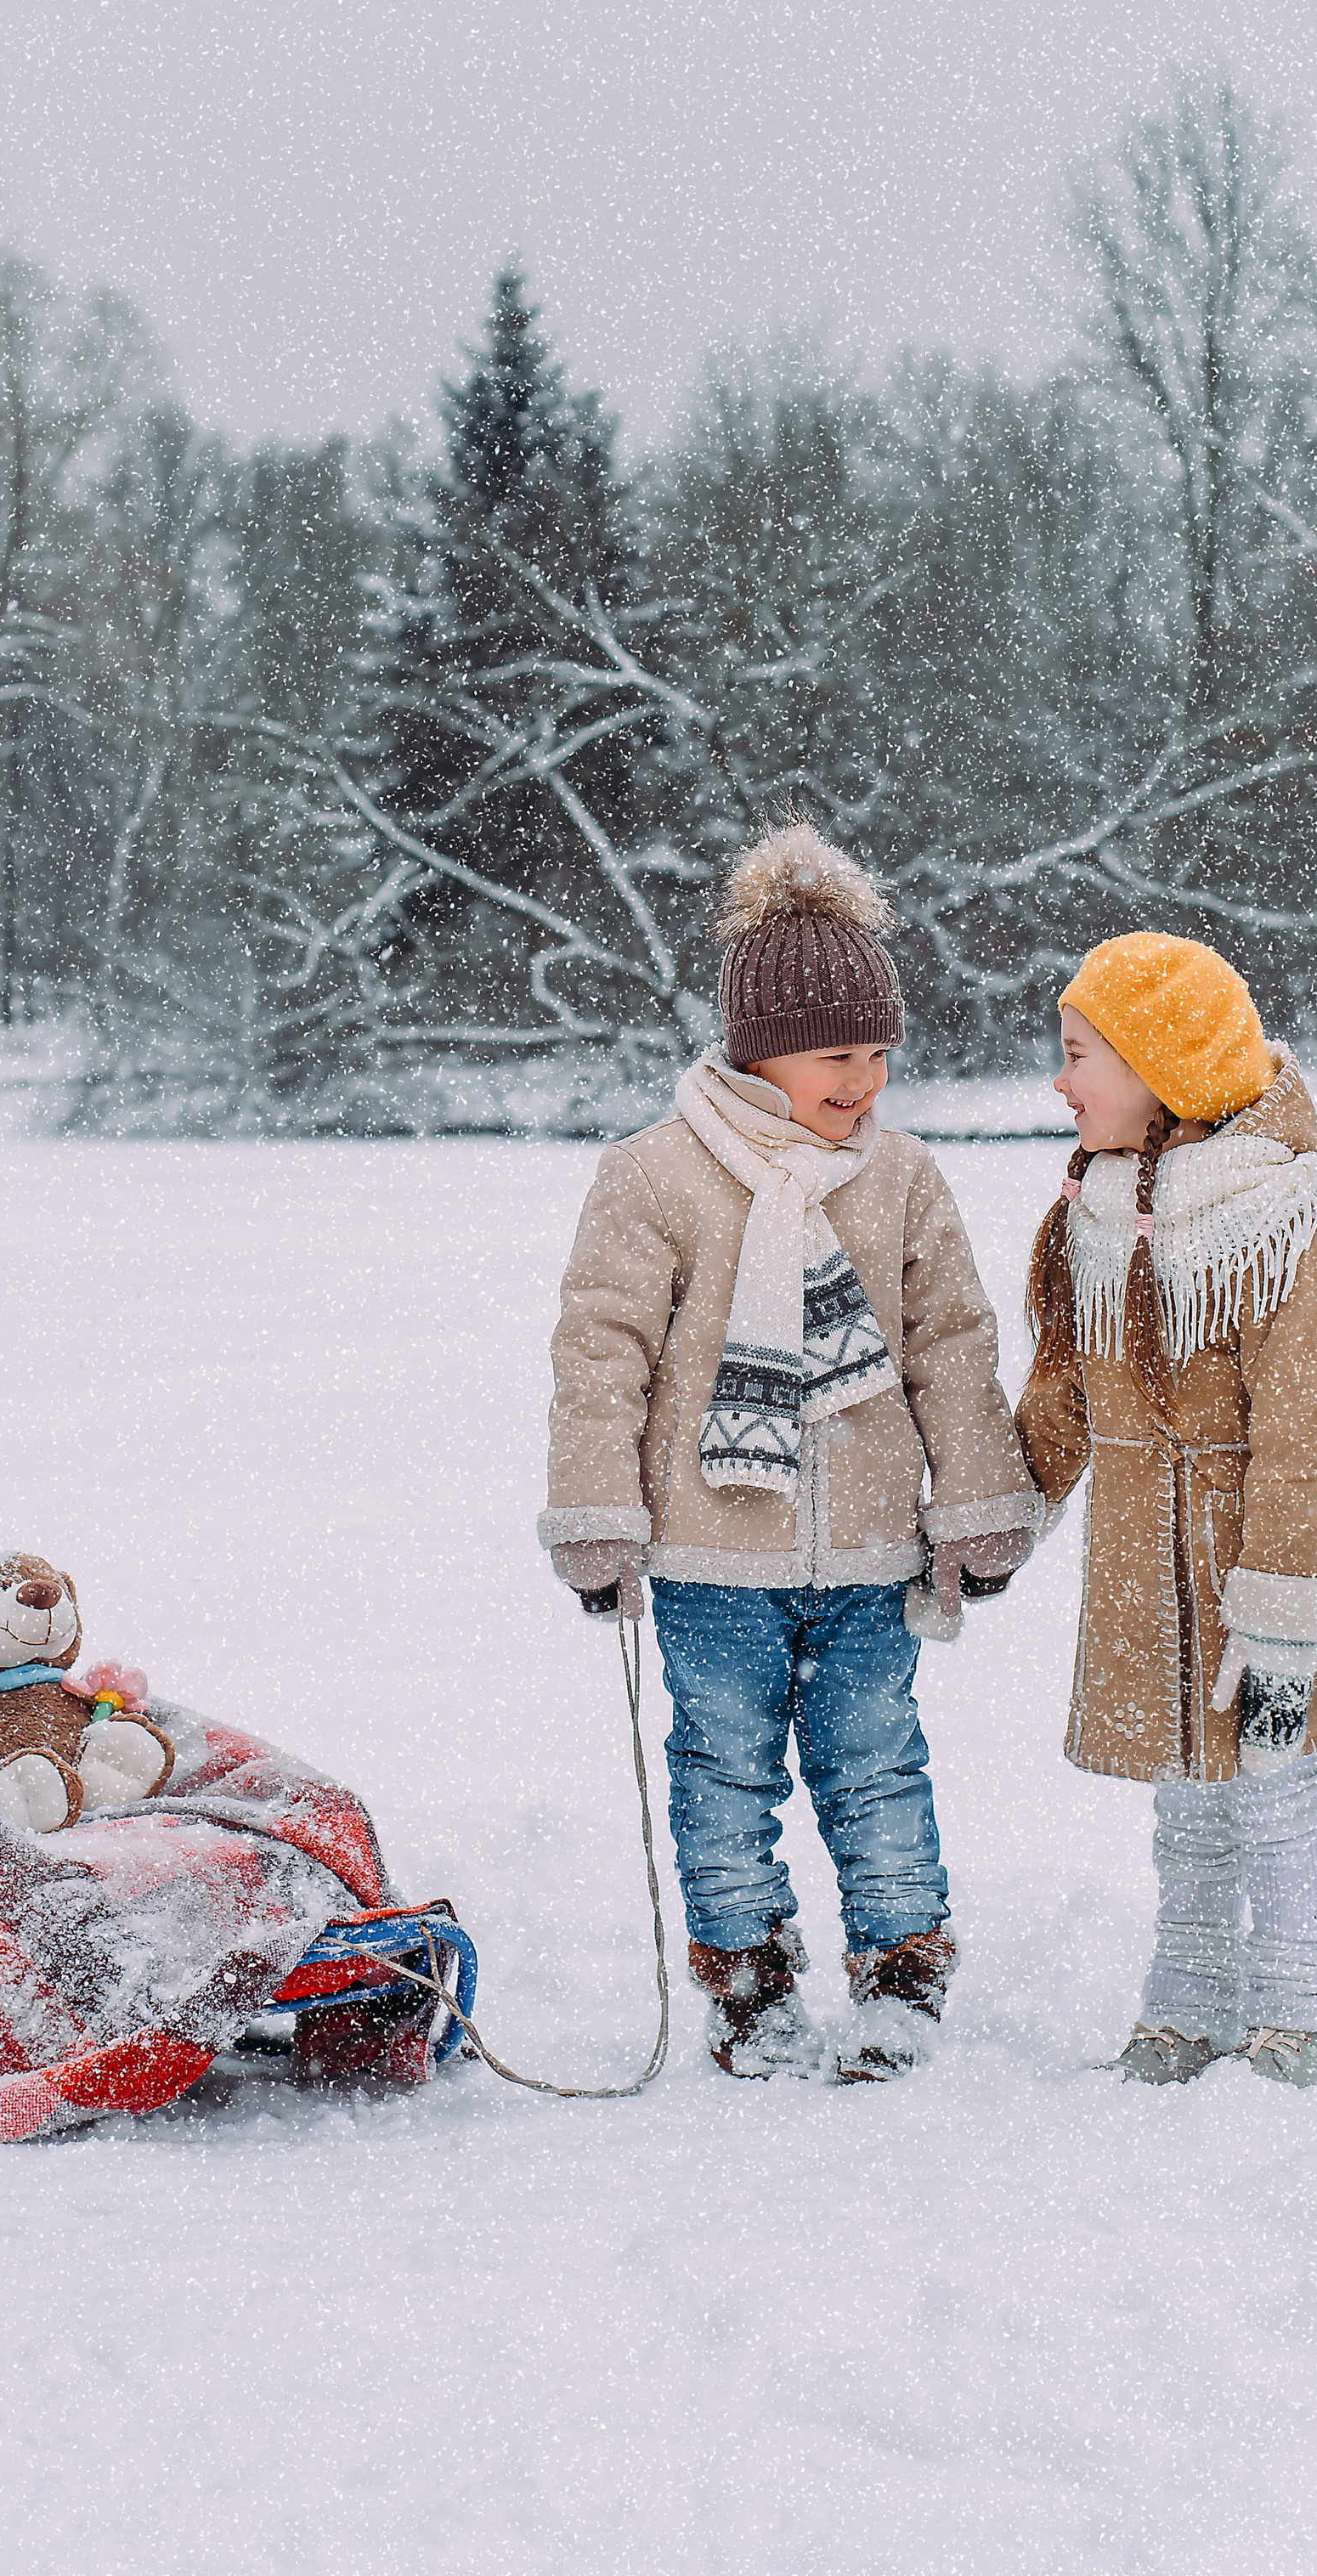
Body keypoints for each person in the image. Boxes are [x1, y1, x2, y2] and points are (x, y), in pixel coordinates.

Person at [540, 822, 1042, 2082]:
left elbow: (952, 1346)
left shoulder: (904, 1180)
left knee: (875, 1762)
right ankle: (750, 1979)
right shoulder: (656, 1177)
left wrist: (976, 1502)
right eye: (838, 1054)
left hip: (871, 1547)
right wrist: (599, 1514)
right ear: (760, 1046)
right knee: (723, 1769)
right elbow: (602, 1354)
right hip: (713, 1551)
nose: (864, 1080)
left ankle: (901, 1971)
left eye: (879, 1054)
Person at [1015, 935, 1317, 2087]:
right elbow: (1064, 1395)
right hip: (1143, 1572)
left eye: (1081, 1055)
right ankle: (1185, 2004)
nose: (1061, 1081)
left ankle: (1300, 2007)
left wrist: (1281, 1614)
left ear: (1160, 1070)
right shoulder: (1092, 1217)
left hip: (1261, 1573)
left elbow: (1304, 1438)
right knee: (1186, 1807)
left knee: (1273, 1792)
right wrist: (997, 1517)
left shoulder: (1278, 1225)